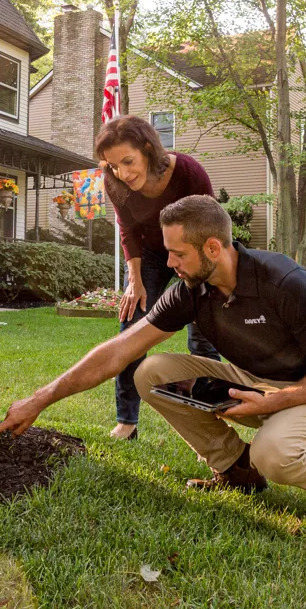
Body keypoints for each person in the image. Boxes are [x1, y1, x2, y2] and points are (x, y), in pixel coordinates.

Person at [0, 195, 306, 519]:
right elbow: (120, 351)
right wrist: (40, 399)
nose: (169, 263)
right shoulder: (191, 288)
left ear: (213, 248)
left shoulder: (284, 283)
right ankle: (237, 469)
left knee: (274, 453)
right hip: (245, 379)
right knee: (150, 372)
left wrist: (276, 399)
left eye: (177, 253)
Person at [95, 115, 220, 441]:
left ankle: (211, 412)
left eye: (128, 161)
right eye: (113, 165)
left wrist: (196, 274)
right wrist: (134, 279)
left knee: (203, 332)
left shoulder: (190, 173)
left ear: (148, 150)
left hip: (194, 251)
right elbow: (128, 228)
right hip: (149, 253)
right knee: (131, 328)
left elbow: (208, 227)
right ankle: (126, 421)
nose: (122, 172)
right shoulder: (114, 179)